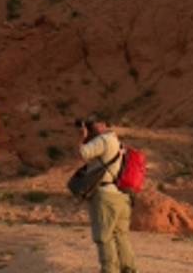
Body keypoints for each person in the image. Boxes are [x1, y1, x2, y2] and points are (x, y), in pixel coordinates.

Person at [77, 115, 137, 273]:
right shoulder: (118, 142)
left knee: (104, 236)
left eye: (93, 124)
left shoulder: (104, 140)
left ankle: (109, 270)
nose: (92, 127)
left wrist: (82, 137)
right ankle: (129, 269)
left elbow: (83, 153)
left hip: (106, 196)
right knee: (121, 236)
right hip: (122, 196)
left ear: (103, 124)